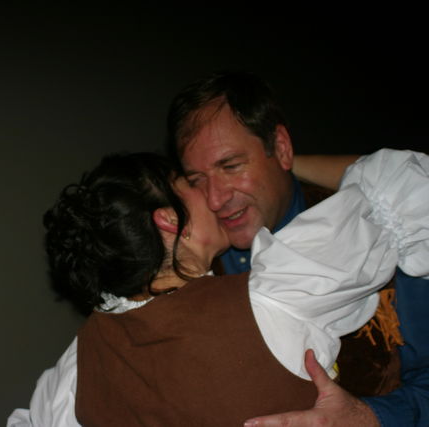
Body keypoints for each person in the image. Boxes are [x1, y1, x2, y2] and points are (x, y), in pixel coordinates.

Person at [7, 148, 426, 426]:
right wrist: (282, 163)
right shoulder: (274, 295)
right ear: (169, 219)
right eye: (191, 184)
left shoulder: (78, 366)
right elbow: (403, 185)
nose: (212, 195)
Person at [166, 70, 429, 426]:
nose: (215, 199)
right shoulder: (194, 263)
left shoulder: (382, 230)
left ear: (282, 148)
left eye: (231, 166)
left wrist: (369, 417)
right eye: (197, 180)